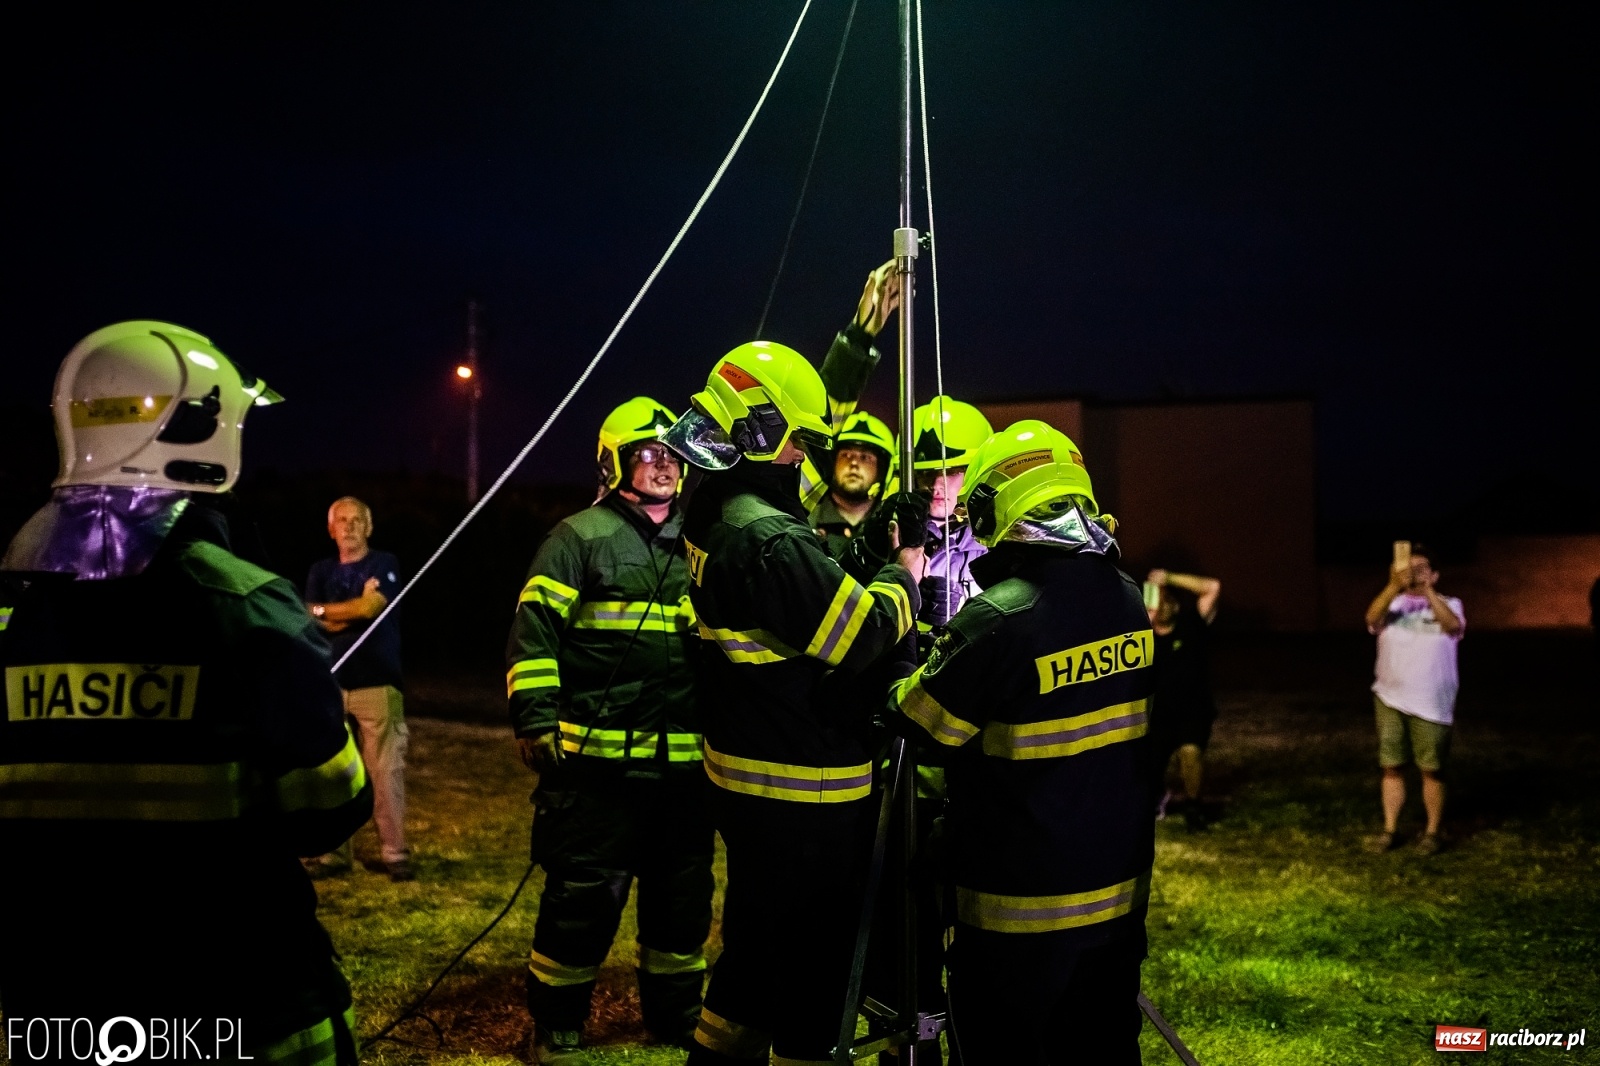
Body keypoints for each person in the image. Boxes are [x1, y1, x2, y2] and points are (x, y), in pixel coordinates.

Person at [0, 321, 372, 1063]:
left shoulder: (12, 613)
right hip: (241, 999)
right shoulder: (250, 609)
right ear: (206, 435)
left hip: (61, 1012)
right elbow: (332, 807)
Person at [663, 340, 925, 1066]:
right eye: (798, 442)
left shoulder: (716, 504)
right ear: (760, 433)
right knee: (816, 972)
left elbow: (795, 600)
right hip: (803, 793)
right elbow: (861, 632)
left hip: (745, 782)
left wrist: (863, 549)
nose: (803, 460)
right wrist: (903, 572)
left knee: (750, 949)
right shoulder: (768, 538)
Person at [890, 420, 1154, 1065]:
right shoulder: (1127, 598)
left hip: (1016, 910)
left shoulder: (999, 616)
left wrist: (903, 627)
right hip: (1115, 896)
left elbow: (919, 722)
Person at [507, 397, 711, 1063]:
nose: (663, 466)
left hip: (684, 770)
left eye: (673, 455)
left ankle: (676, 1019)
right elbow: (534, 633)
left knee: (681, 906)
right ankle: (558, 1022)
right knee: (581, 900)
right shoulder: (578, 538)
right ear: (614, 461)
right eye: (648, 453)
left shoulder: (702, 541)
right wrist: (536, 720)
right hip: (595, 770)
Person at [304, 496, 411, 881]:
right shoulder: (320, 570)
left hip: (377, 682)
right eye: (341, 521)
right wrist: (342, 610)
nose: (349, 526)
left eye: (356, 520)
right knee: (335, 774)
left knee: (384, 770)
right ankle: (334, 853)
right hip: (330, 685)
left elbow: (370, 610)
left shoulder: (384, 564)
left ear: (369, 527)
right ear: (330, 530)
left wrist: (329, 612)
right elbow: (311, 617)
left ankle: (395, 854)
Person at [1363, 543, 1464, 855]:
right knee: (1391, 766)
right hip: (1390, 697)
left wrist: (1429, 591)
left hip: (1432, 702)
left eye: (1423, 569)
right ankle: (1390, 829)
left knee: (1431, 768)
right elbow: (1371, 618)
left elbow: (1452, 626)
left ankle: (1433, 832)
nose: (1415, 574)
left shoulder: (1451, 603)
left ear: (1434, 574)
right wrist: (1394, 585)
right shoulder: (1392, 603)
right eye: (1411, 568)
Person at [903, 396, 994, 630]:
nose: (936, 484)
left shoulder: (999, 542)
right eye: (925, 473)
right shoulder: (893, 537)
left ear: (977, 471)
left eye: (950, 471)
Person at [1145, 568, 1222, 829]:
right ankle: (1155, 798)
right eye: (1157, 601)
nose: (1163, 606)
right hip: (1158, 715)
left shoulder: (1192, 625)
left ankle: (1193, 807)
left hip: (1193, 710)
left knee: (1190, 753)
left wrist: (1168, 578)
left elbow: (1211, 586)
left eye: (1168, 600)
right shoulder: (1142, 639)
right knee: (1148, 764)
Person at [809, 410, 894, 557]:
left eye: (865, 457)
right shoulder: (807, 519)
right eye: (846, 455)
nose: (853, 463)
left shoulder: (892, 525)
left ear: (882, 470)